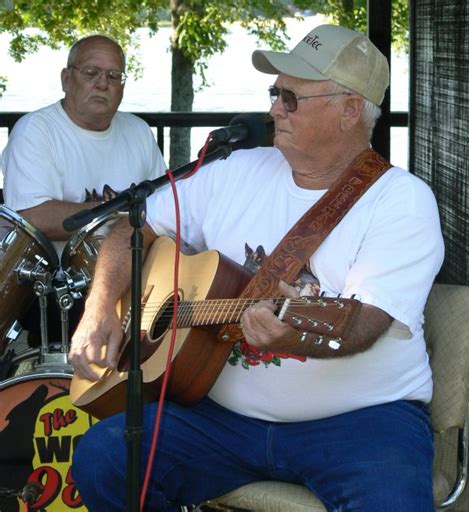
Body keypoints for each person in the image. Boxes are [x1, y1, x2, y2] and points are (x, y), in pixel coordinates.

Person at [69, 24, 444, 512]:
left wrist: (289, 335)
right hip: (219, 418)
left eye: (290, 98)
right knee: (104, 457)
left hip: (360, 422)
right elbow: (129, 229)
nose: (273, 110)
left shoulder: (401, 201)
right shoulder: (235, 170)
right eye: (274, 93)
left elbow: (361, 324)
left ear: (350, 109)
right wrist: (99, 309)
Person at [1, 34, 167, 343]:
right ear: (66, 78)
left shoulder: (139, 131)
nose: (102, 83)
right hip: (59, 288)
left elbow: (166, 208)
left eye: (114, 76)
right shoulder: (36, 131)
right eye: (90, 72)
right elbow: (35, 217)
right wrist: (122, 213)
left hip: (137, 278)